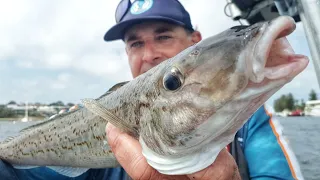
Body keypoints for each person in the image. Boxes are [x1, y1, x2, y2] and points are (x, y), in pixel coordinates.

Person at [0, 0, 304, 179]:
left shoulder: (252, 123)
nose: (149, 55)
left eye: (163, 37)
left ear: (195, 39)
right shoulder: (102, 135)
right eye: (135, 43)